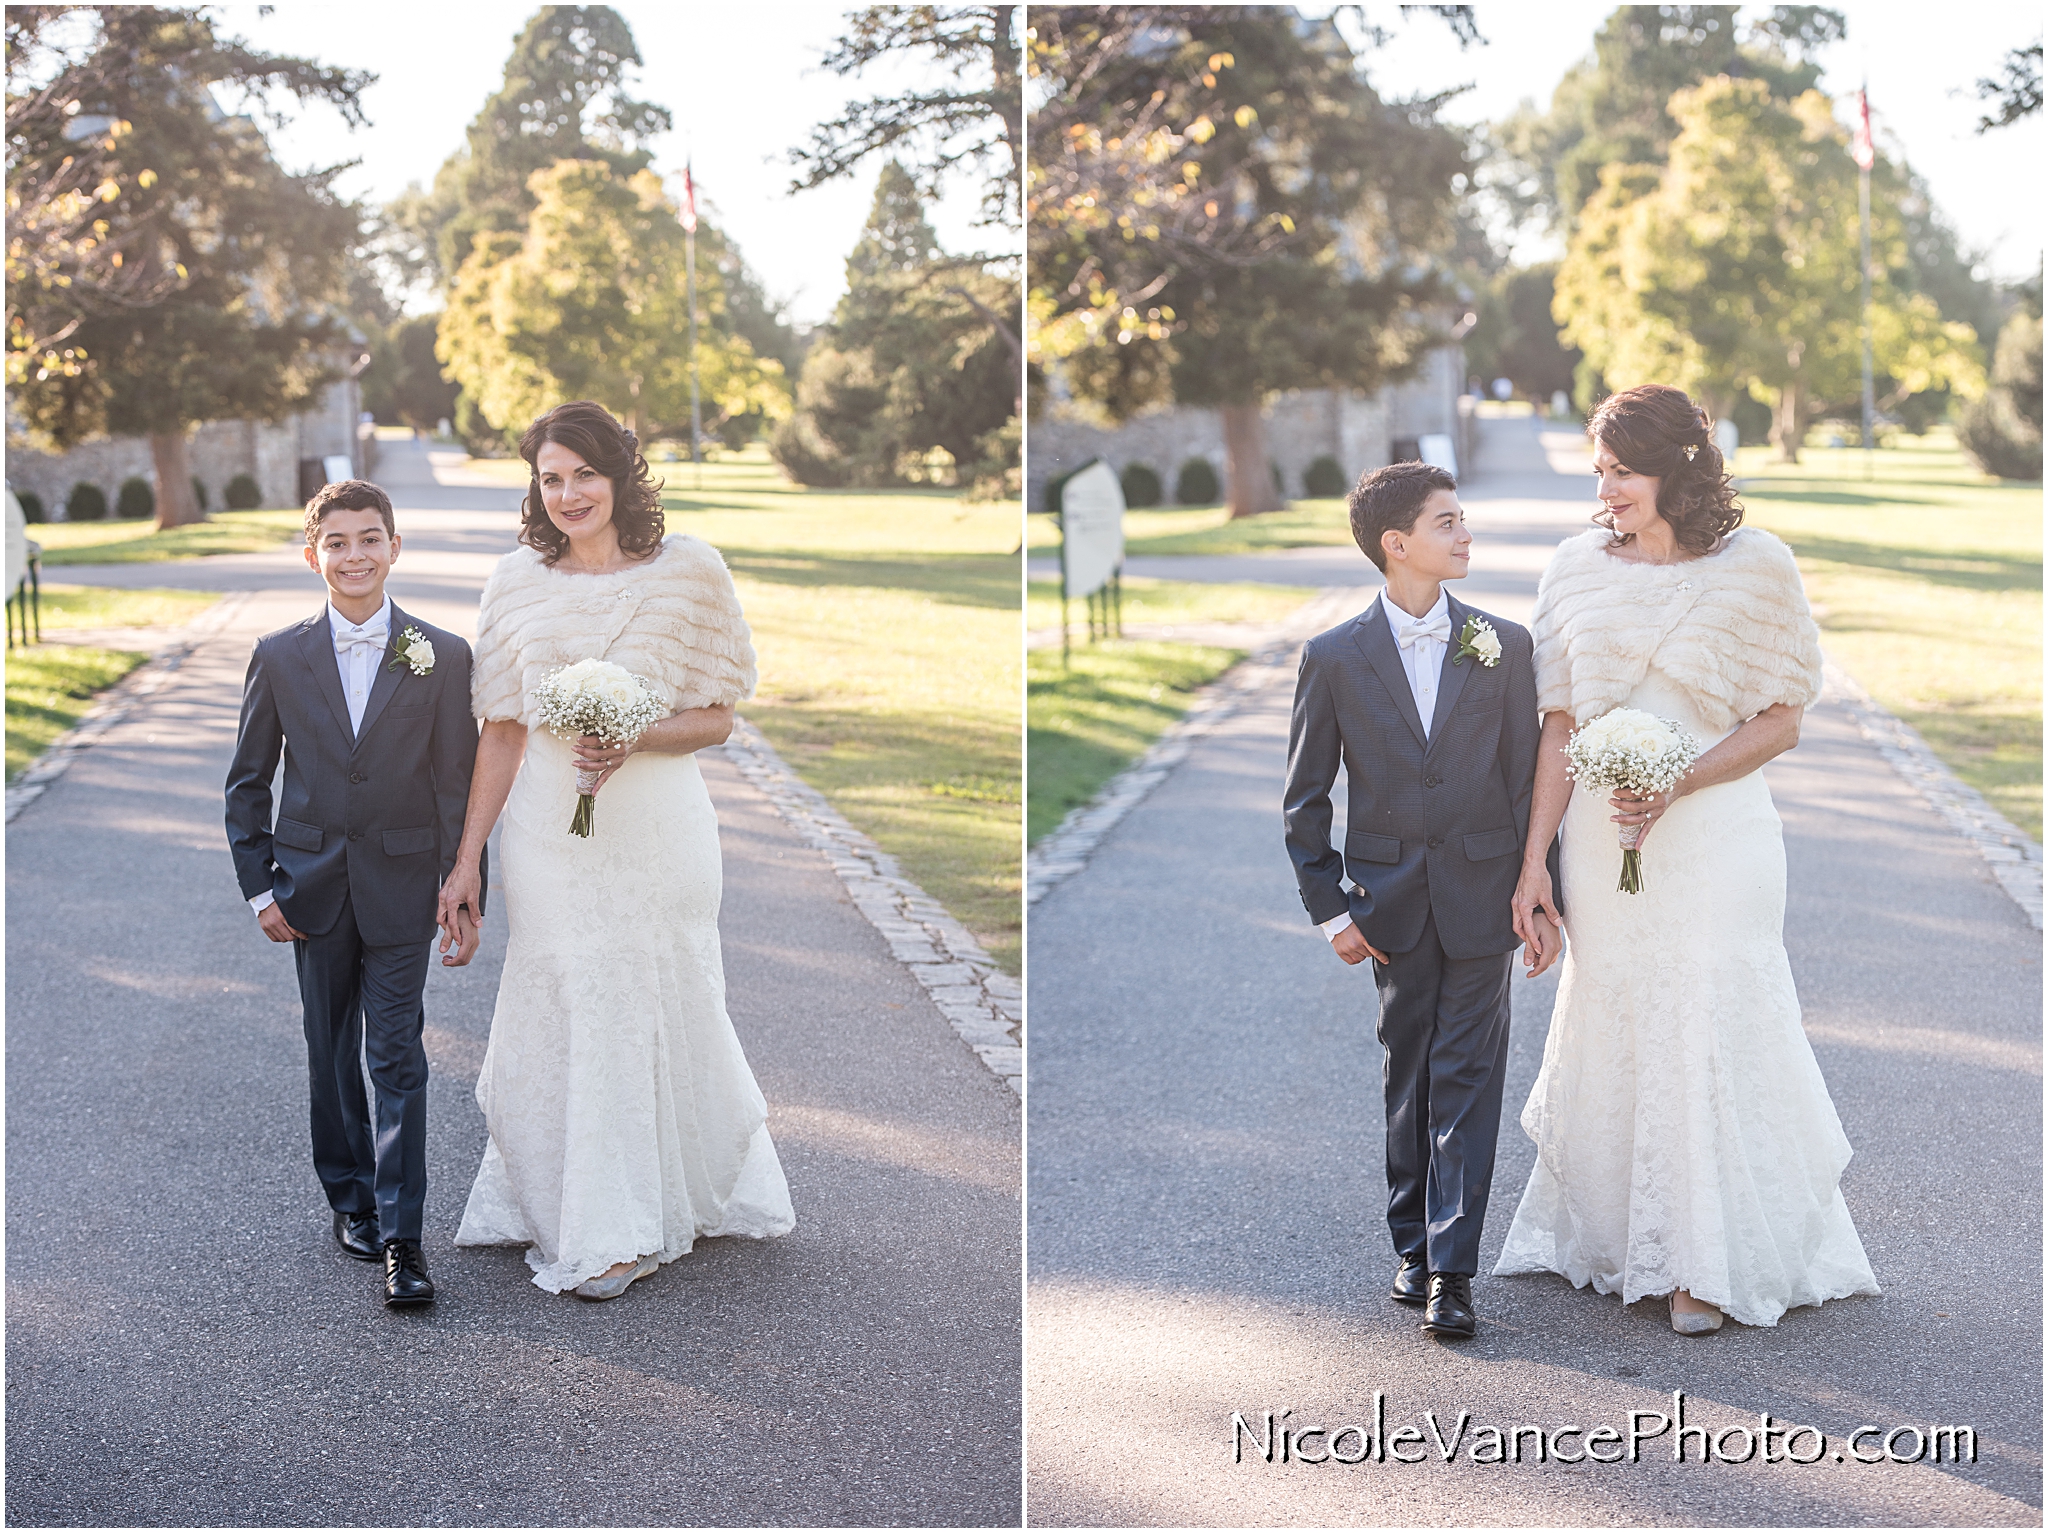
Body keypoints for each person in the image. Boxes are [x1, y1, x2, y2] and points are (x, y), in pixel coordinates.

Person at [1494, 383, 1880, 1333]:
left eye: (1623, 470)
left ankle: (1704, 1262)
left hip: (1718, 837)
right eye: (1601, 471)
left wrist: (1683, 781)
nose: (1607, 488)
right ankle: (1630, 1238)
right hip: (1601, 837)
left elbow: (1783, 718)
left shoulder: (1758, 567)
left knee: (1709, 1002)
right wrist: (1533, 863)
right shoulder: (1574, 568)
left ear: (1678, 468)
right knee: (1622, 1008)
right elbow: (1556, 732)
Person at [437, 400, 794, 1301]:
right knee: (572, 998)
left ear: (620, 475)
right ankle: (574, 1202)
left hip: (657, 832)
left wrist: (638, 731)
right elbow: (503, 732)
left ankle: (627, 1219)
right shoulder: (514, 582)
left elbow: (719, 715)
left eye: (584, 474)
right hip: (549, 834)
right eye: (550, 478)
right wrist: (467, 858)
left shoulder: (690, 572)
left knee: (648, 995)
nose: (568, 494)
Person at [1284, 461, 1556, 1339]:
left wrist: (1540, 892)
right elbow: (1306, 799)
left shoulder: (1505, 645)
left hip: (1484, 898)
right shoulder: (1333, 657)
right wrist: (1334, 909)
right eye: (1448, 522)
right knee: (1410, 1072)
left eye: (1465, 518)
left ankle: (1453, 1268)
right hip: (1388, 904)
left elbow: (1526, 783)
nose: (1466, 534)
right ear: (1396, 545)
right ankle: (1411, 1242)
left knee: (1468, 1078)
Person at [225, 479, 481, 1307]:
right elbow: (247, 784)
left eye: (371, 537)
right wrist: (260, 890)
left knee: (397, 1057)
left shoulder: (442, 655)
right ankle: (352, 1199)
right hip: (310, 890)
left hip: (405, 887)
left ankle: (406, 1239)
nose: (355, 554)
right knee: (331, 1053)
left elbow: (456, 782)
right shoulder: (278, 654)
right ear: (313, 555)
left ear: (395, 548)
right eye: (337, 541)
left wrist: (464, 886)